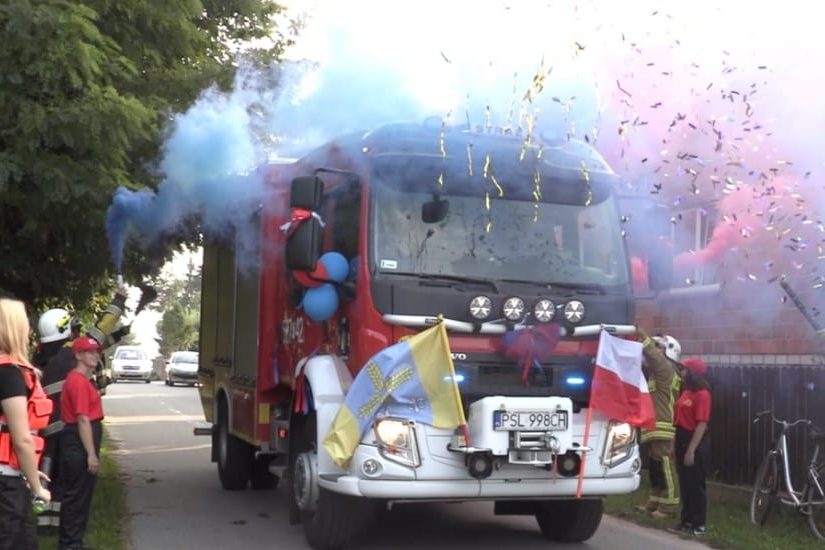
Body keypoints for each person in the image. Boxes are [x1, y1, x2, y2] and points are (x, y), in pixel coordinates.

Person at [34, 286, 128, 528]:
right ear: (64, 329)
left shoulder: (41, 358)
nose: (77, 333)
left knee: (48, 477)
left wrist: (118, 337)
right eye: (73, 329)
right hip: (70, 430)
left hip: (46, 430)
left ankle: (46, 525)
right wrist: (119, 299)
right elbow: (99, 332)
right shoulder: (68, 357)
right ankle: (62, 530)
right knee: (67, 484)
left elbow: (94, 347)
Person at [0, 297, 53, 549]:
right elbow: (21, 438)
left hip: (11, 478)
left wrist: (29, 470)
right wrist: (36, 486)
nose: (29, 330)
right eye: (25, 324)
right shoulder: (9, 374)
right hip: (5, 487)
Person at [58, 336, 105, 550]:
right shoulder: (77, 381)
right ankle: (70, 544)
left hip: (81, 439)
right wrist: (91, 454)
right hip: (78, 441)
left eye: (96, 352)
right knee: (76, 497)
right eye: (89, 352)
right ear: (78, 355)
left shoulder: (85, 380)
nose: (95, 355)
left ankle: (75, 542)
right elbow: (82, 418)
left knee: (82, 495)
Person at [635, 330, 682, 519]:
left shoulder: (666, 369)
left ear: (669, 352)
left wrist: (640, 334)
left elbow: (652, 355)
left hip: (663, 426)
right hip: (654, 426)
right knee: (655, 469)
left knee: (665, 467)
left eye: (660, 347)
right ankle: (654, 503)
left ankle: (669, 507)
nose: (656, 350)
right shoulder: (657, 373)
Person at [670, 357, 712, 536]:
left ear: (694, 373)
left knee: (696, 483)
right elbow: (677, 420)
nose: (682, 372)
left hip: (694, 440)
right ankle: (685, 520)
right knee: (685, 483)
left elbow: (701, 423)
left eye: (685, 370)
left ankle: (698, 523)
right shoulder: (686, 391)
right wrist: (674, 445)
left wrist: (691, 450)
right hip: (681, 436)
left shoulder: (702, 394)